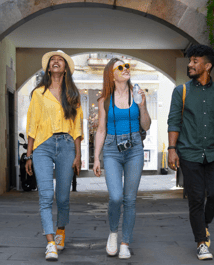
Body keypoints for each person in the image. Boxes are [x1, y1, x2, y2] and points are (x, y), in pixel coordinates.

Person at [167, 44, 214, 260]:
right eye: (190, 61)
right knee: (196, 198)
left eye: (195, 61)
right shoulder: (181, 91)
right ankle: (201, 242)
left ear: (207, 66)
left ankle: (202, 224)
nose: (190, 64)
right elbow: (174, 121)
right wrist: (172, 149)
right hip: (189, 153)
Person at [25, 50, 83, 261]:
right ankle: (50, 242)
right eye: (53, 60)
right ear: (48, 68)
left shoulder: (73, 95)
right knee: (46, 196)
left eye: (61, 60)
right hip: (42, 146)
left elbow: (77, 126)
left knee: (63, 197)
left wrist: (78, 155)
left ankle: (60, 231)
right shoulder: (38, 93)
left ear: (65, 68)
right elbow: (32, 124)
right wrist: (28, 155)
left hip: (67, 146)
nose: (56, 62)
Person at [93, 58, 151, 259]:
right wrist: (96, 158)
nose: (126, 69)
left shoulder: (137, 94)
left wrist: (142, 106)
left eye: (127, 66)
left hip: (134, 148)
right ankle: (113, 233)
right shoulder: (104, 101)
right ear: (111, 74)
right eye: (120, 67)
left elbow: (146, 125)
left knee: (130, 199)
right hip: (111, 149)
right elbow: (101, 130)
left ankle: (125, 242)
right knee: (116, 197)